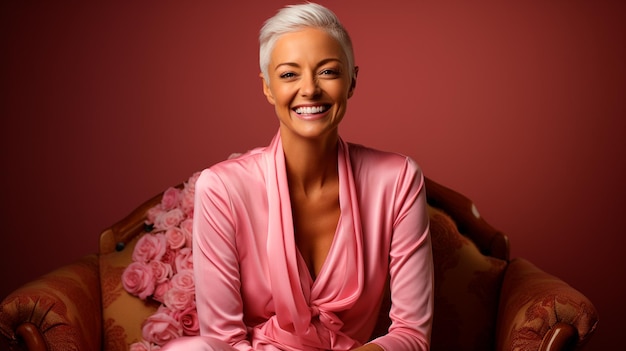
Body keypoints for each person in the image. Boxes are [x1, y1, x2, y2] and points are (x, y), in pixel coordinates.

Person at [162, 3, 433, 350]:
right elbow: (223, 342)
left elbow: (412, 333)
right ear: (268, 87)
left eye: (328, 72)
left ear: (352, 81)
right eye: (289, 74)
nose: (310, 90)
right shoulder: (222, 188)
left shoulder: (398, 180)